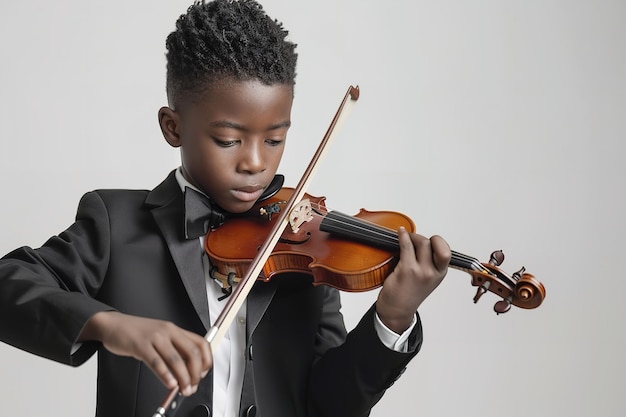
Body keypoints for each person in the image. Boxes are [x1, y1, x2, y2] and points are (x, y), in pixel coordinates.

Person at [0, 1, 451, 416]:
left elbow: (328, 406)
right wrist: (113, 326)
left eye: (275, 140)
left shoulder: (306, 248)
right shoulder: (115, 223)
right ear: (173, 127)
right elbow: (8, 287)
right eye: (229, 140)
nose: (255, 162)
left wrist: (392, 319)